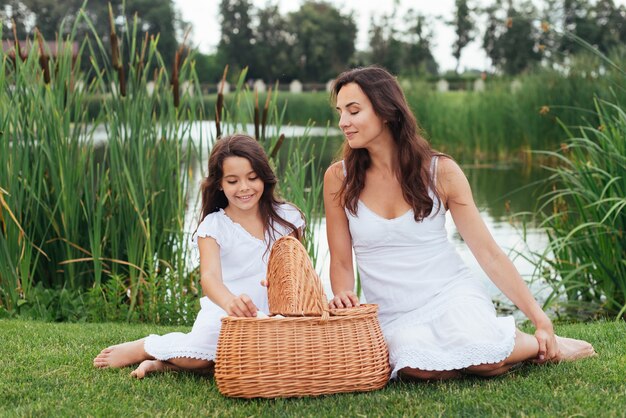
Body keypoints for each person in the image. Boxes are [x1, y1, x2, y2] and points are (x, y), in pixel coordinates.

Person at [323, 66, 595, 381]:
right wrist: (344, 296)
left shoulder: (441, 172)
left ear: (386, 111)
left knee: (483, 360)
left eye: (353, 111)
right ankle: (482, 355)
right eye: (340, 112)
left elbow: (487, 253)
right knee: (419, 369)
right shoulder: (338, 178)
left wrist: (540, 319)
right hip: (393, 312)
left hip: (450, 293)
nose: (343, 122)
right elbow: (341, 260)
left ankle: (542, 346)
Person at [93, 134, 304, 378]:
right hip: (227, 312)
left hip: (276, 312)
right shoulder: (214, 225)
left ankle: (161, 364)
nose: (244, 187)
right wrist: (229, 303)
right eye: (233, 181)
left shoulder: (287, 218)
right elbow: (210, 277)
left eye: (252, 178)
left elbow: (298, 267)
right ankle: (146, 346)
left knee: (266, 360)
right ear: (219, 184)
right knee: (201, 354)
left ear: (264, 177)